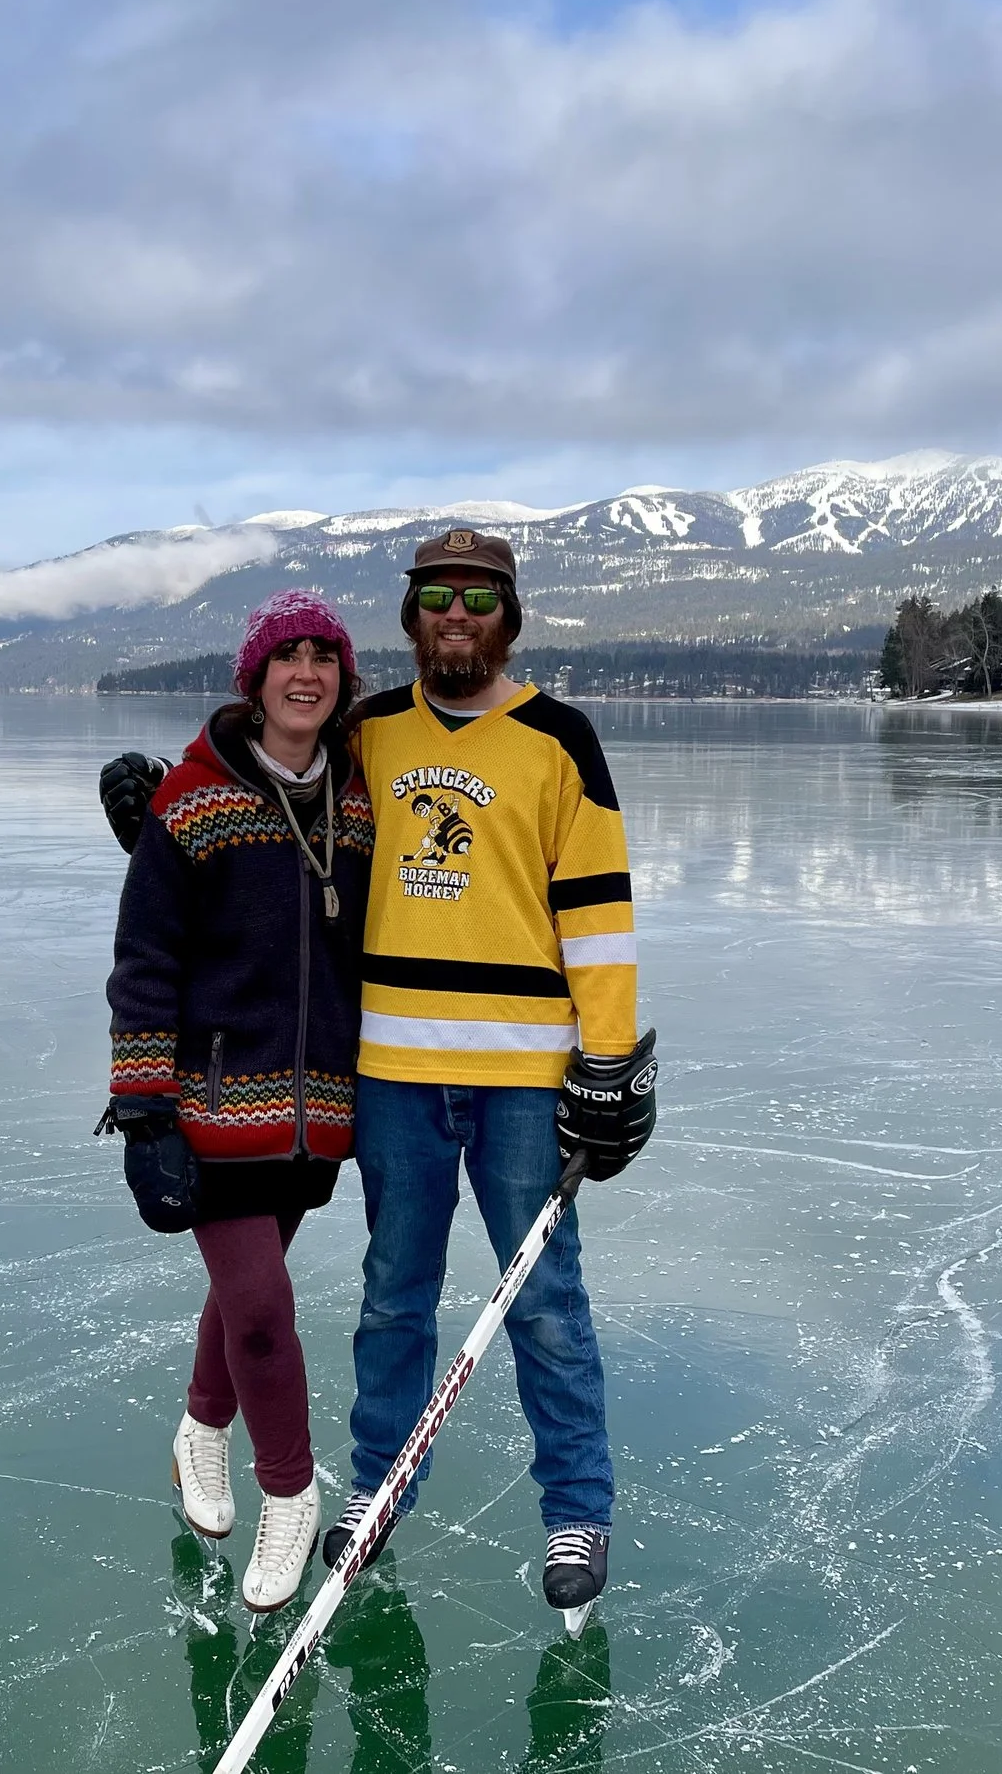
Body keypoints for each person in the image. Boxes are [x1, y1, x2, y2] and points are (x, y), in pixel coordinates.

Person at [103, 529, 656, 1622]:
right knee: (392, 1297)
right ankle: (380, 1486)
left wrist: (611, 1062)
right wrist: (157, 814)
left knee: (541, 1299)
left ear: (510, 613)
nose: (457, 614)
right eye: (436, 597)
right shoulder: (369, 732)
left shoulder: (559, 738)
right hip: (390, 1071)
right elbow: (265, 791)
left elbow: (595, 914)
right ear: (409, 619)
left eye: (479, 597)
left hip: (523, 1078)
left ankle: (575, 1507)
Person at [104, 589, 375, 1613]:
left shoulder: (360, 799)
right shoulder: (192, 800)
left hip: (317, 1106)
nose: (305, 672)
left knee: (242, 1297)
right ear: (253, 677)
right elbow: (144, 962)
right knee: (262, 1306)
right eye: (285, 657)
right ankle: (291, 1493)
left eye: (323, 657)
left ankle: (199, 1425)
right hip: (213, 1103)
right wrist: (142, 1105)